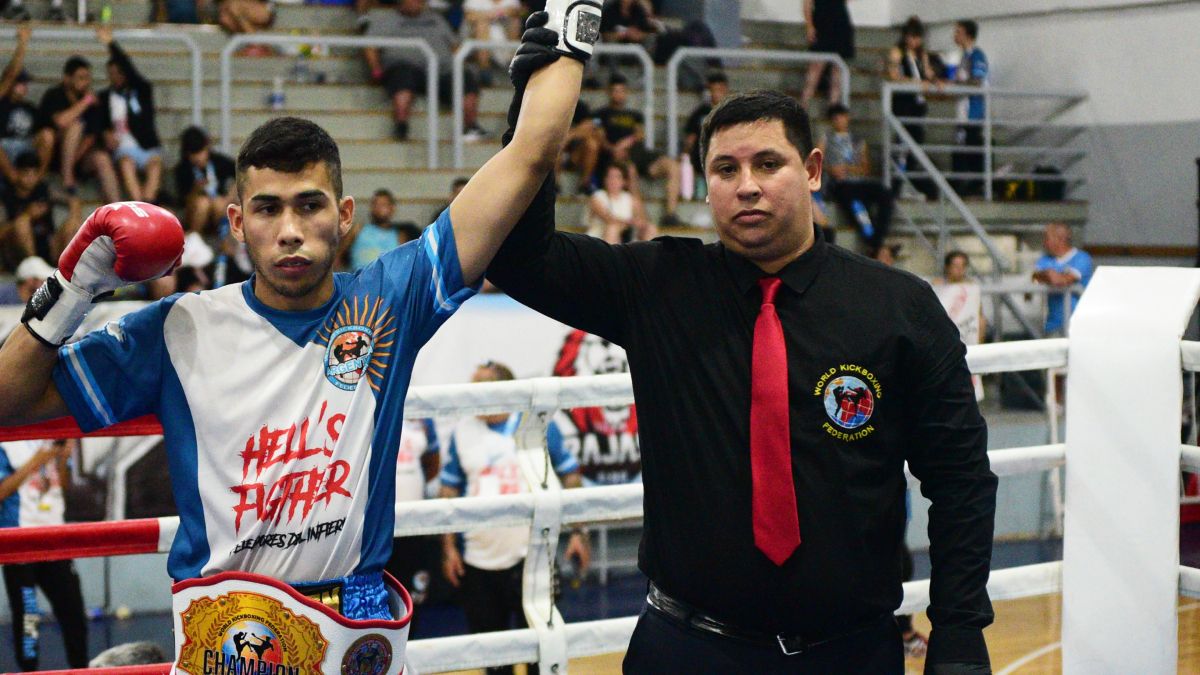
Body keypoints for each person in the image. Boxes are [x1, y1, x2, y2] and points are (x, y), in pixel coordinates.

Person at [0, 2, 595, 664]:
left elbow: (532, 152)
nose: (289, 228)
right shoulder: (179, 329)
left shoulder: (389, 301)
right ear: (236, 222)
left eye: (309, 205)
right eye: (268, 208)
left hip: (353, 623)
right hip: (224, 629)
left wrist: (571, 26)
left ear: (343, 216)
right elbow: (8, 399)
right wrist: (72, 289)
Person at [489, 90, 996, 673]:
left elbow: (960, 479)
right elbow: (519, 258)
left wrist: (959, 632)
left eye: (767, 164)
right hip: (686, 650)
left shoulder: (899, 307)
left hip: (850, 653)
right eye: (725, 169)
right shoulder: (655, 286)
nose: (746, 185)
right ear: (705, 185)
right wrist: (534, 115)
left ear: (811, 170)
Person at [439, 361, 589, 675]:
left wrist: (579, 533)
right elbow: (449, 490)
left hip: (533, 557)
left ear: (503, 391)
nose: (472, 396)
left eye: (480, 388)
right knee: (493, 660)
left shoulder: (537, 425)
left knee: (541, 653)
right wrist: (449, 548)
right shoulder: (463, 430)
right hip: (477, 562)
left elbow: (570, 476)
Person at [0, 438, 89, 670]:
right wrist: (36, 461)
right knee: (28, 620)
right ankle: (29, 673)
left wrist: (62, 459)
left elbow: (65, 487)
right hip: (21, 542)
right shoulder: (6, 441)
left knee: (74, 615)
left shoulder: (53, 434)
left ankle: (80, 670)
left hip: (55, 538)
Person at [364, 0, 487, 142]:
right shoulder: (385, 20)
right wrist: (376, 70)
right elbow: (370, 47)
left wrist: (461, 64)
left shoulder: (435, 19)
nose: (416, 3)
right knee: (402, 78)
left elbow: (454, 45)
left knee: (465, 78)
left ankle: (470, 126)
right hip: (405, 67)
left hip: (441, 70)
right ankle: (401, 126)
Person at [594, 73, 680, 226]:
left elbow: (640, 134)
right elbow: (600, 138)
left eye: (621, 91)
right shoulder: (602, 114)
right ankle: (643, 219)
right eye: (615, 90)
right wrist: (614, 148)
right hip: (616, 156)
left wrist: (626, 142)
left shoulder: (635, 115)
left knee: (672, 165)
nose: (618, 94)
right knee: (630, 170)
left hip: (639, 152)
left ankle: (670, 214)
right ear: (609, 92)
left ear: (626, 92)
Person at [36, 55, 119, 202]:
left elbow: (90, 138)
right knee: (75, 125)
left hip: (78, 156)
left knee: (102, 158)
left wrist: (71, 160)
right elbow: (61, 121)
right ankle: (67, 178)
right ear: (67, 78)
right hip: (53, 154)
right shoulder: (54, 95)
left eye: (87, 78)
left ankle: (118, 207)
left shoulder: (93, 103)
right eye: (81, 78)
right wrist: (85, 103)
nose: (86, 82)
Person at [95, 26, 164, 203]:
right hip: (124, 148)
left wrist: (111, 44)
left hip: (146, 146)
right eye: (111, 74)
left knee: (155, 166)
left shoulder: (142, 90)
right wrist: (104, 133)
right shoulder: (104, 97)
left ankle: (147, 205)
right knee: (126, 163)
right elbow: (100, 124)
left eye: (119, 73)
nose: (115, 77)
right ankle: (139, 207)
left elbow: (129, 66)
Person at [819, 103, 894, 247]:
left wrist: (847, 168)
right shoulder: (826, 138)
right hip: (840, 184)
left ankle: (877, 238)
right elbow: (817, 161)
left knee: (885, 193)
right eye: (836, 118)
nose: (840, 120)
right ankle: (874, 242)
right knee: (855, 204)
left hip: (858, 181)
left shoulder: (858, 140)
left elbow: (866, 168)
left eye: (842, 117)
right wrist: (831, 169)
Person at [884, 16, 939, 200]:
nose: (913, 41)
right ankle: (898, 184)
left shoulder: (921, 54)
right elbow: (893, 76)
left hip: (918, 106)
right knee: (902, 147)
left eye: (916, 37)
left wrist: (935, 80)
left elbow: (928, 73)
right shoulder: (897, 52)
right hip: (903, 105)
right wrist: (916, 82)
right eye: (910, 37)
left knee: (915, 146)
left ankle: (908, 182)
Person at [0, 26, 53, 186]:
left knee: (47, 135)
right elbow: (10, 75)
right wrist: (22, 43)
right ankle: (15, 179)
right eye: (20, 83)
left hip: (25, 147)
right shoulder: (2, 100)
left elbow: (43, 134)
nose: (24, 87)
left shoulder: (30, 107)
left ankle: (36, 180)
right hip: (4, 146)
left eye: (25, 83)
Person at [934, 250, 985, 401]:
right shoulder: (937, 288)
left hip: (967, 341)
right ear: (947, 267)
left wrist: (980, 341)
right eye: (955, 265)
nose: (959, 270)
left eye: (962, 266)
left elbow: (979, 317)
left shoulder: (972, 290)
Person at [172, 126, 237, 235]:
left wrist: (229, 196)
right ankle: (194, 237)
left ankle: (223, 238)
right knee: (203, 203)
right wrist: (196, 189)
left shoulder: (219, 161)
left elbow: (241, 173)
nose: (199, 157)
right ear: (187, 154)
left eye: (201, 152)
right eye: (194, 154)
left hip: (218, 207)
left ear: (207, 148)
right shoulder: (183, 169)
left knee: (219, 203)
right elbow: (183, 200)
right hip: (194, 211)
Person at [1032, 221, 1093, 336]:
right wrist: (1047, 275)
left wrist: (1050, 275)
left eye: (1047, 238)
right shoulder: (1045, 259)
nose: (1044, 242)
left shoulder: (1082, 258)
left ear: (1060, 239)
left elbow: (1061, 281)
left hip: (1078, 327)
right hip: (1052, 326)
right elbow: (1035, 277)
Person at [949, 20, 988, 197]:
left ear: (968, 35)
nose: (955, 35)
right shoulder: (963, 57)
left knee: (972, 150)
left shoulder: (977, 56)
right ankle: (958, 187)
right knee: (958, 151)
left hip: (972, 113)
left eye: (958, 32)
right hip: (962, 114)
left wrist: (957, 84)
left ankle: (977, 186)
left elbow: (977, 81)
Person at [681, 71, 729, 193]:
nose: (717, 93)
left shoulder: (734, 111)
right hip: (702, 157)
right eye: (714, 89)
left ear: (726, 89)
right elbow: (690, 139)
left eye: (720, 89)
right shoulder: (700, 113)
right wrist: (685, 155)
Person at [800, 0, 853, 108]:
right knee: (816, 67)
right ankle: (804, 104)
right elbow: (807, 4)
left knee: (837, 69)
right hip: (822, 23)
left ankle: (833, 106)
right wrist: (809, 27)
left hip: (840, 23)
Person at [587, 161, 654, 243]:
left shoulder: (630, 199)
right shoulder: (597, 197)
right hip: (600, 239)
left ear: (624, 181)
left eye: (617, 177)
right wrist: (629, 222)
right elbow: (608, 218)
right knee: (613, 228)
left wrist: (639, 223)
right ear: (605, 179)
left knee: (650, 228)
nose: (613, 180)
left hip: (625, 237)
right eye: (610, 177)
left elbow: (643, 220)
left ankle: (649, 255)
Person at [345, 188, 409, 270]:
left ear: (392, 208)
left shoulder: (400, 237)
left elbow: (404, 268)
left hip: (386, 282)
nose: (379, 209)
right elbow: (336, 259)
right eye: (376, 204)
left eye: (383, 205)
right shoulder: (358, 230)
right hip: (358, 280)